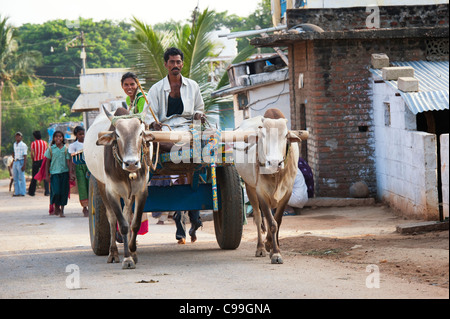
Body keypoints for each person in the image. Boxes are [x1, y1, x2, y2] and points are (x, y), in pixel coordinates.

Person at [145, 47, 207, 132]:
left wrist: (198, 115)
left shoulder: (193, 86)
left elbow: (199, 108)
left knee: (213, 136)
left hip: (189, 128)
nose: (175, 65)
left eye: (178, 62)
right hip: (165, 129)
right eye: (172, 62)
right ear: (166, 64)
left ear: (182, 64)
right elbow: (149, 115)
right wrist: (154, 124)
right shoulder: (155, 89)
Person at [44, 131, 74, 217]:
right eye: (56, 137)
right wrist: (47, 175)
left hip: (64, 173)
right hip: (54, 174)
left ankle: (62, 210)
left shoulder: (65, 149)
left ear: (62, 138)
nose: (58, 138)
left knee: (64, 192)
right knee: (56, 192)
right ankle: (56, 206)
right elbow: (47, 162)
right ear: (53, 138)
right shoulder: (50, 149)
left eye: (60, 137)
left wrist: (71, 173)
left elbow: (69, 162)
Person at [68, 126, 89, 217]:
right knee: (82, 187)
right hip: (79, 167)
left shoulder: (88, 143)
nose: (82, 136)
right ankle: (85, 207)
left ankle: (92, 204)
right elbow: (71, 160)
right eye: (80, 134)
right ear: (76, 135)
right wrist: (71, 172)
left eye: (83, 133)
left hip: (89, 166)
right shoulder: (73, 146)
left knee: (90, 185)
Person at [28, 130, 49, 196]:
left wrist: (33, 160)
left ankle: (32, 192)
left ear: (34, 136)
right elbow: (47, 152)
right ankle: (47, 192)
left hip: (36, 160)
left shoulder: (33, 143)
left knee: (34, 176)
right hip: (44, 160)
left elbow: (32, 153)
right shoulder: (45, 143)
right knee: (45, 176)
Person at [12, 132, 27, 197]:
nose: (17, 137)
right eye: (16, 136)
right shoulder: (14, 144)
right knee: (15, 178)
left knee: (21, 178)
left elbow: (25, 156)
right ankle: (16, 192)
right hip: (15, 161)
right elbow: (14, 152)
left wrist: (24, 165)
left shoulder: (23, 145)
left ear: (21, 137)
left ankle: (22, 192)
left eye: (19, 136)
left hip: (21, 161)